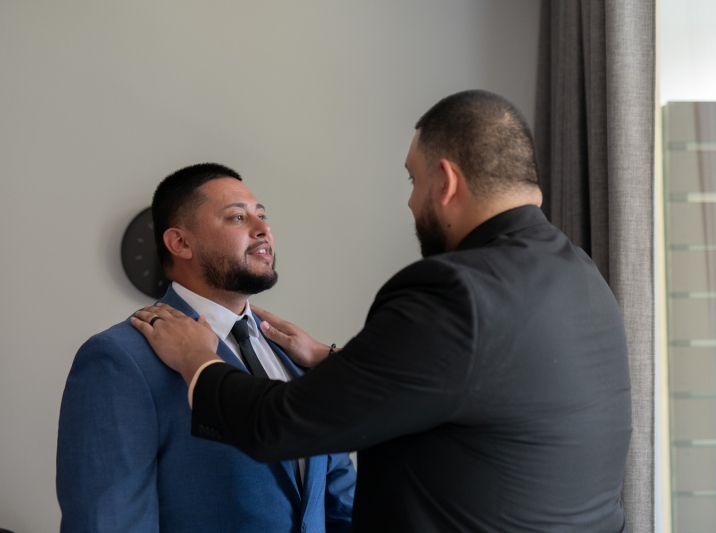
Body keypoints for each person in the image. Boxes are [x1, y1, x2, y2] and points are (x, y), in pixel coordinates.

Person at [133, 91, 632, 532]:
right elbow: (475, 386)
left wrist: (199, 364)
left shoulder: (453, 291)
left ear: (446, 182)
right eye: (239, 217)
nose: (412, 203)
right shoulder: (584, 280)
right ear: (179, 243)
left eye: (413, 181)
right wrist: (335, 363)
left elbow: (280, 423)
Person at [57, 163, 356, 532]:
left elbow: (344, 508)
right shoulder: (119, 359)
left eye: (262, 216)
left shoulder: (299, 357)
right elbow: (109, 523)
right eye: (237, 218)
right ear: (180, 243)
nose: (263, 229)